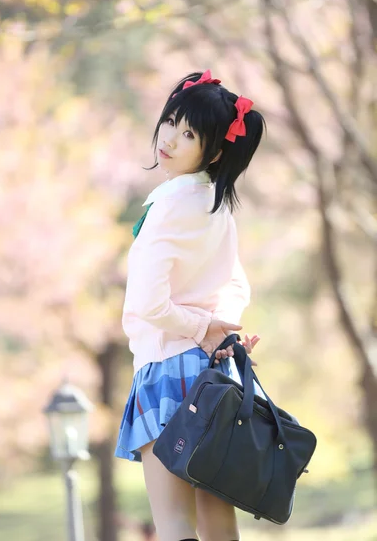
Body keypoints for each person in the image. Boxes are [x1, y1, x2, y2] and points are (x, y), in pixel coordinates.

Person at [115, 70, 266, 541]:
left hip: (167, 373)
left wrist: (202, 329)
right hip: (216, 378)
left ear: (215, 152)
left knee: (174, 522)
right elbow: (237, 285)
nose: (170, 138)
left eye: (189, 134)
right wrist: (222, 329)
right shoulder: (216, 206)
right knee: (219, 521)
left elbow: (148, 303)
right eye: (171, 122)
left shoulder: (170, 203)